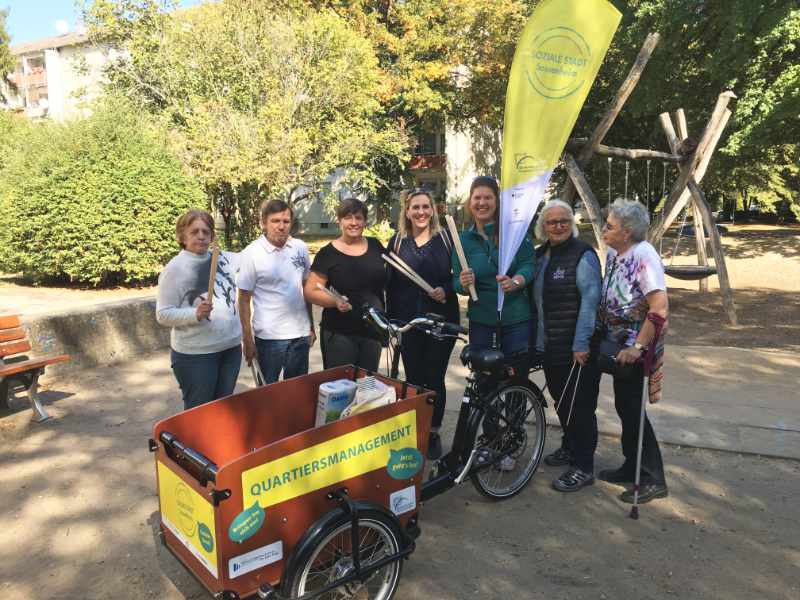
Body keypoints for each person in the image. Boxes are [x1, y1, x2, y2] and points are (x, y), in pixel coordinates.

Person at [596, 198, 669, 504]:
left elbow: (659, 307)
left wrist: (638, 347)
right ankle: (632, 464)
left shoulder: (644, 255)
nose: (604, 229)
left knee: (633, 409)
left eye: (610, 226)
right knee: (625, 406)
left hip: (634, 344)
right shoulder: (615, 252)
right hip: (616, 341)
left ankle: (653, 478)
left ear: (626, 232)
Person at [531, 199, 602, 492]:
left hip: (577, 347)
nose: (558, 226)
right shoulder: (540, 255)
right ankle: (570, 446)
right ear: (543, 226)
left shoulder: (583, 254)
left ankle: (584, 467)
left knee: (580, 407)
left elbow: (590, 301)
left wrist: (581, 342)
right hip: (550, 346)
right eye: (552, 222)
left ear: (572, 224)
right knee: (563, 402)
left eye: (564, 221)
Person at [387, 189, 459, 459]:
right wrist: (391, 321)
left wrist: (445, 289)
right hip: (409, 323)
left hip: (441, 321)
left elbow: (459, 276)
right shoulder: (397, 242)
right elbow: (390, 283)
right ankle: (416, 429)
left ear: (433, 209)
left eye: (425, 206)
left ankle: (433, 431)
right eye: (415, 207)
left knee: (434, 377)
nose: (421, 212)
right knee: (414, 378)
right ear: (407, 211)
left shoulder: (447, 239)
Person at [156, 210, 242, 410]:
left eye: (206, 231)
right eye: (195, 232)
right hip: (197, 356)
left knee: (223, 409)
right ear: (182, 237)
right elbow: (163, 314)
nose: (201, 236)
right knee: (200, 413)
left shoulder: (223, 259)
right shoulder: (175, 269)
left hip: (230, 350)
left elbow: (254, 257)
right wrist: (194, 314)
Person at [452, 176, 534, 354]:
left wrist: (516, 282)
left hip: (516, 319)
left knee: (515, 370)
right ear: (470, 203)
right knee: (484, 371)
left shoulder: (514, 232)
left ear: (497, 202)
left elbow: (528, 265)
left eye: (488, 197)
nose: (482, 203)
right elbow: (456, 283)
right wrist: (464, 283)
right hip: (481, 321)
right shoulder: (463, 240)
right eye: (477, 198)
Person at [304, 198, 387, 371]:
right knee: (341, 385)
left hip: (373, 331)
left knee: (367, 384)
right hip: (339, 334)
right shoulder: (327, 254)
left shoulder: (375, 246)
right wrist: (334, 301)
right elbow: (310, 291)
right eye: (348, 217)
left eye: (358, 218)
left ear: (365, 221)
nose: (354, 222)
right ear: (339, 221)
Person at [238, 199, 315, 384]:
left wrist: (311, 325)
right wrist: (247, 339)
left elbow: (306, 289)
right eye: (275, 221)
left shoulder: (300, 248)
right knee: (267, 393)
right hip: (269, 338)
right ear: (264, 223)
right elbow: (243, 300)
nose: (281, 226)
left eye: (286, 221)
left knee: (297, 390)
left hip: (300, 334)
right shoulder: (252, 253)